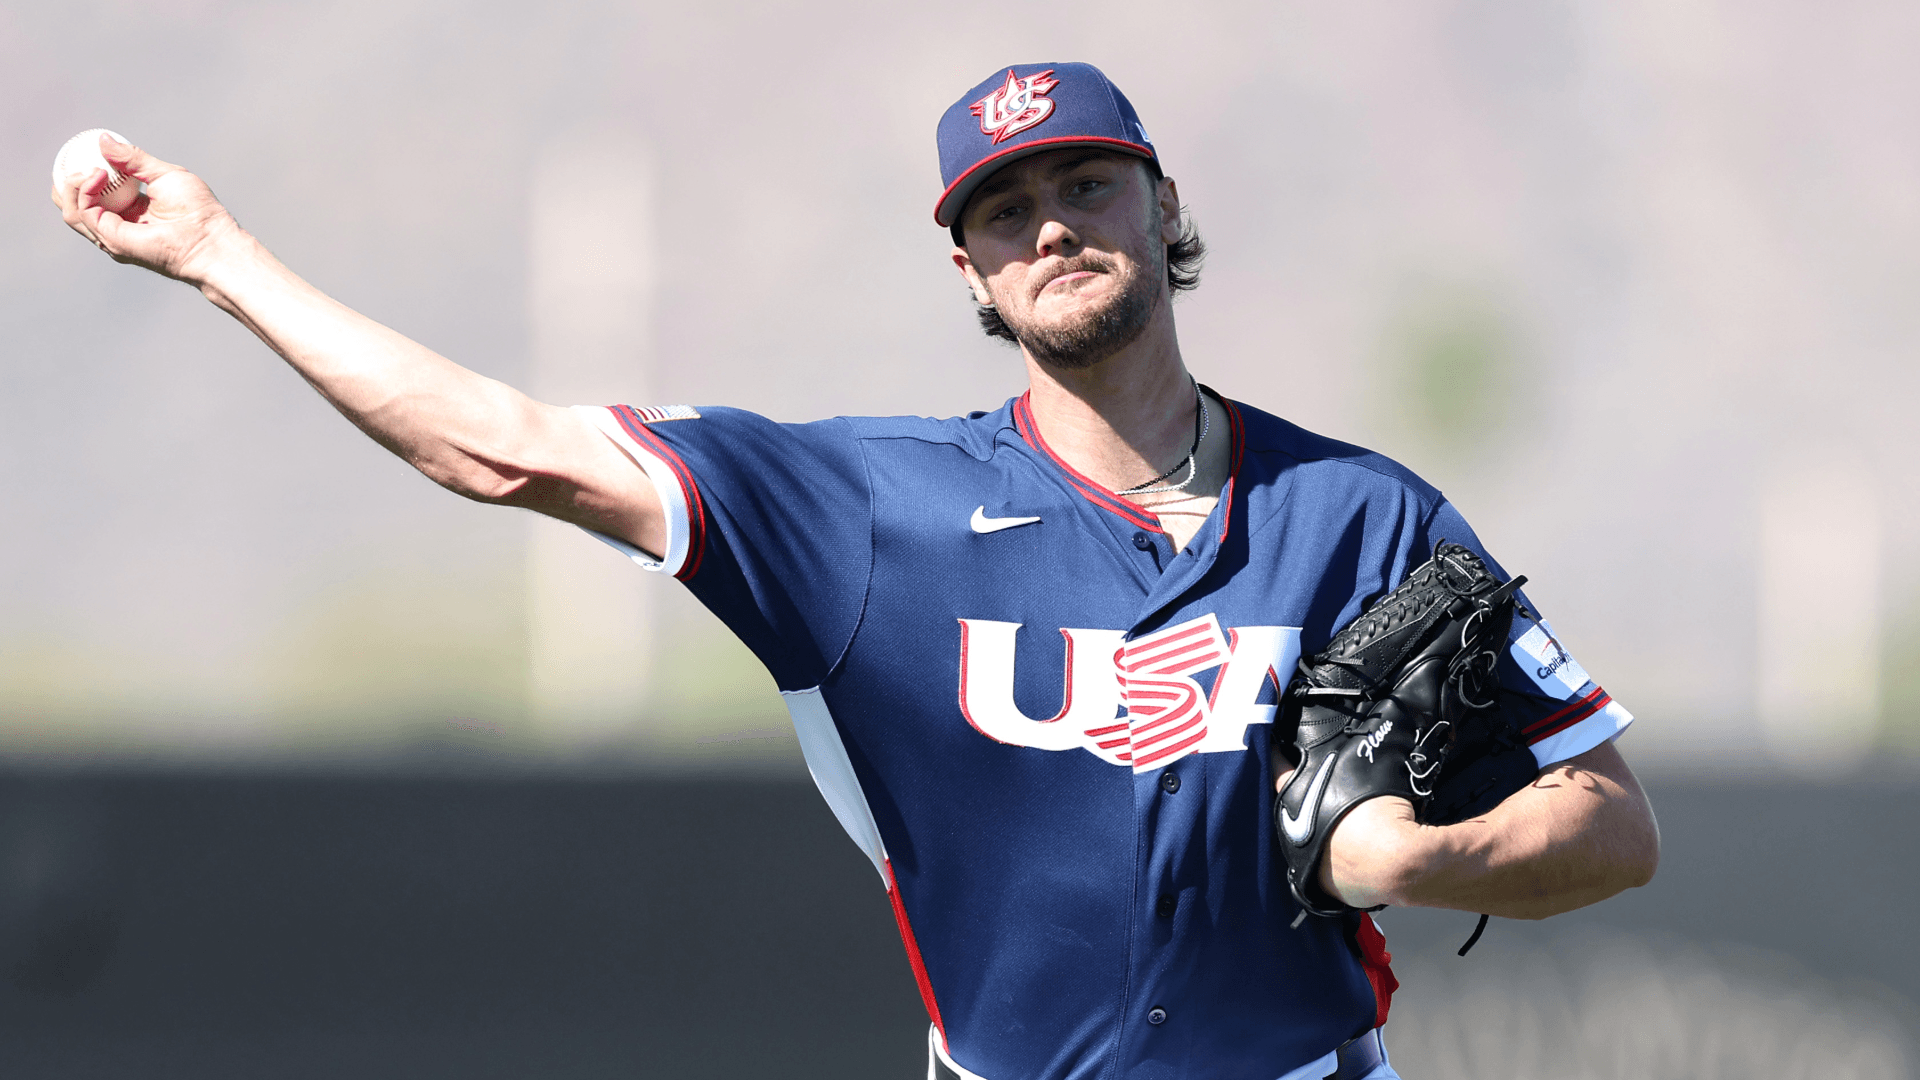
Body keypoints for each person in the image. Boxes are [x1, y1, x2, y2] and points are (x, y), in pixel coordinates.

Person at [55, 61, 1658, 1080]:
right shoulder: (861, 511)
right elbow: (504, 446)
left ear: (1162, 203)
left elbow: (1613, 824)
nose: (1052, 227)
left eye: (1086, 183)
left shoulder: (1364, 514)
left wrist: (1411, 861)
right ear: (965, 267)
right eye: (1004, 210)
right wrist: (215, 258)